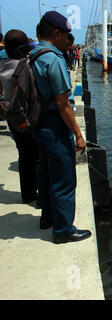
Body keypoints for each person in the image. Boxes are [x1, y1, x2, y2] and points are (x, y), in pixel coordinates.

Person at [31, 11, 91, 244]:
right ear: (56, 34)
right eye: (66, 35)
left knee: (46, 174)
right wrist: (78, 134)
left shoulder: (33, 54)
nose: (69, 40)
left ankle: (47, 217)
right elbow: (63, 102)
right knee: (64, 179)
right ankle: (64, 229)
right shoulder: (53, 59)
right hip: (56, 125)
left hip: (39, 122)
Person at [0, 30, 40, 206]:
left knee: (23, 155)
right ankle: (40, 196)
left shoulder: (3, 66)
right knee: (37, 156)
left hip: (11, 116)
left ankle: (28, 194)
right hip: (28, 117)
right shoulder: (25, 66)